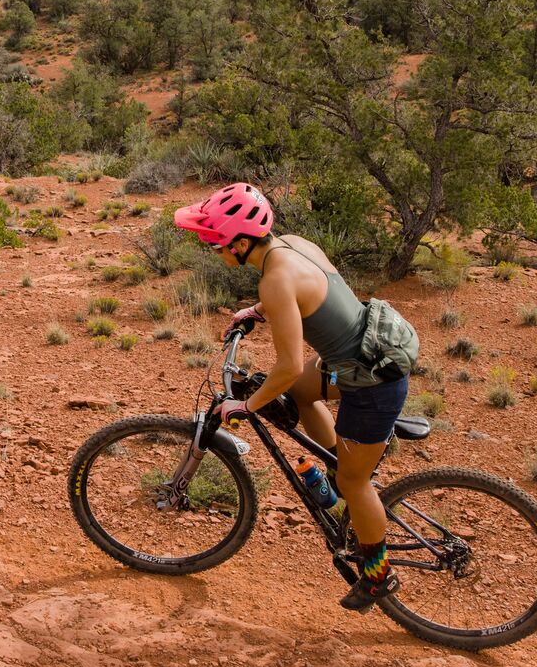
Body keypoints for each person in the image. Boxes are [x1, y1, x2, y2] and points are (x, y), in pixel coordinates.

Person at [173, 182, 406, 609]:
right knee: (300, 394)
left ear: (242, 242)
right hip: (361, 357)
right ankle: (341, 462)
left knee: (354, 481)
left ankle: (378, 574)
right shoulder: (294, 246)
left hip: (370, 381)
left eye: (216, 244)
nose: (215, 253)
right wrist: (256, 311)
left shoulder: (275, 280)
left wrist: (246, 405)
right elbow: (310, 292)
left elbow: (288, 366)